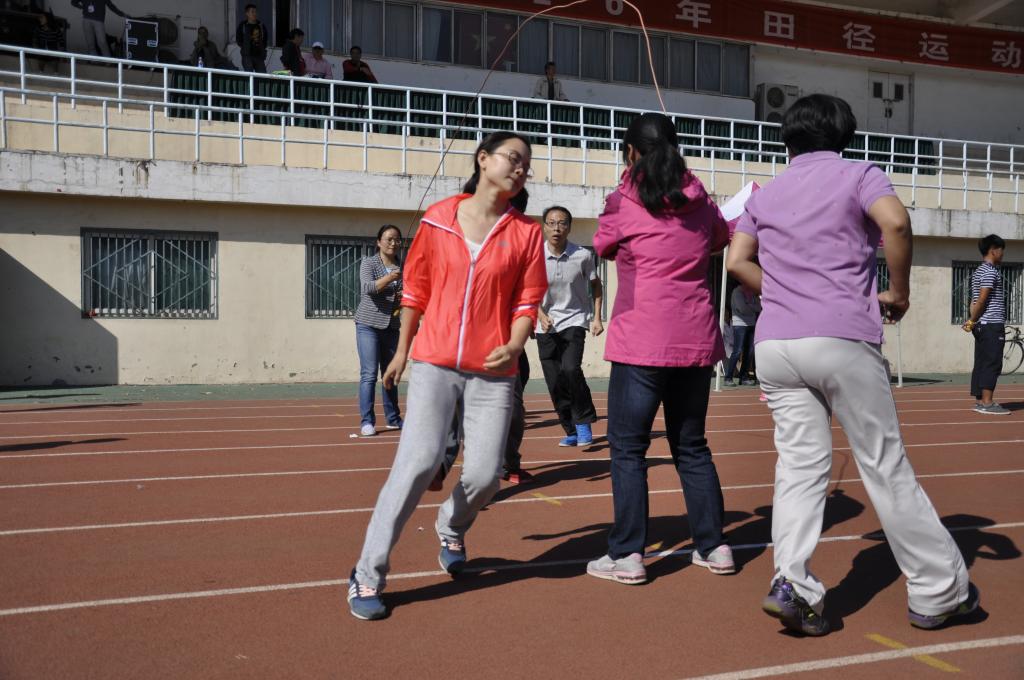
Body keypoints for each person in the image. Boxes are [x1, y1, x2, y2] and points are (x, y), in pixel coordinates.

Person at [727, 93, 976, 636]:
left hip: (776, 344)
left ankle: (792, 584)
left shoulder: (765, 195)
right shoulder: (860, 173)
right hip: (840, 335)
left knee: (798, 467)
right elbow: (897, 224)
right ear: (845, 135)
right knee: (884, 465)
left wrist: (787, 292)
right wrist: (900, 292)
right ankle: (938, 591)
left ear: (788, 138)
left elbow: (737, 260)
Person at [347, 131, 547, 620]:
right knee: (417, 464)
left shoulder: (526, 233)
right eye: (512, 158)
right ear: (483, 159)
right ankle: (367, 573)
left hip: (493, 369)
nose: (520, 168)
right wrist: (402, 352)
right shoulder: (438, 218)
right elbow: (415, 290)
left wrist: (514, 344)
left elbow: (527, 301)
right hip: (435, 361)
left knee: (484, 476)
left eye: (526, 164)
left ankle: (451, 525)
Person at [587, 112, 734, 586]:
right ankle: (714, 546)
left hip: (642, 341)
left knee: (628, 449)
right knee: (691, 446)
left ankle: (628, 553)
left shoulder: (624, 199)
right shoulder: (700, 199)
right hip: (694, 339)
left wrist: (626, 185)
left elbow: (602, 245)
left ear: (631, 153)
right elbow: (720, 238)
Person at [536, 206, 602, 447]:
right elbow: (527, 291)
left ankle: (583, 422)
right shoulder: (534, 255)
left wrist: (596, 317)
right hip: (544, 326)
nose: (557, 228)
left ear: (569, 227)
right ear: (544, 226)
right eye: (552, 223)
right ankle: (570, 429)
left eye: (562, 223)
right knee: (554, 381)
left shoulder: (582, 255)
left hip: (574, 319)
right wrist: (540, 315)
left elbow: (596, 285)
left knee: (571, 369)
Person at [354, 225, 405, 437]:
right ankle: (367, 421)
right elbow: (368, 288)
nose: (393, 243)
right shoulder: (369, 263)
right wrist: (391, 278)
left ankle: (393, 418)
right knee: (369, 374)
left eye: (397, 239)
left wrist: (403, 296)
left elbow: (404, 295)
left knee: (390, 374)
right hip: (368, 325)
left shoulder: (403, 265)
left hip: (391, 326)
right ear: (378, 242)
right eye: (389, 239)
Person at [964, 235, 1010, 415]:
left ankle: (980, 401)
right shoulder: (990, 272)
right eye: (1001, 250)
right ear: (993, 250)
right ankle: (987, 403)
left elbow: (974, 300)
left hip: (982, 325)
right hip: (991, 324)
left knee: (982, 362)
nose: (1003, 254)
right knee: (992, 362)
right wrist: (972, 320)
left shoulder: (978, 271)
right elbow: (982, 300)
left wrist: (973, 320)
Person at [724, 284, 760, 385]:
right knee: (738, 351)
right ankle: (728, 378)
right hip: (739, 324)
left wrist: (749, 305)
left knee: (750, 352)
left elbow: (758, 307)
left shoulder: (752, 293)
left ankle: (743, 377)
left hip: (751, 324)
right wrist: (752, 307)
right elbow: (742, 308)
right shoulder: (737, 292)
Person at [235, 4, 268, 73]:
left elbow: (265, 39)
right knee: (249, 75)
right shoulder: (243, 25)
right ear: (247, 13)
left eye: (255, 12)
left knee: (262, 75)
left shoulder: (260, 25)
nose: (254, 14)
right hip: (247, 56)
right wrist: (245, 47)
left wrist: (262, 48)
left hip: (259, 56)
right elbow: (238, 39)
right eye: (252, 12)